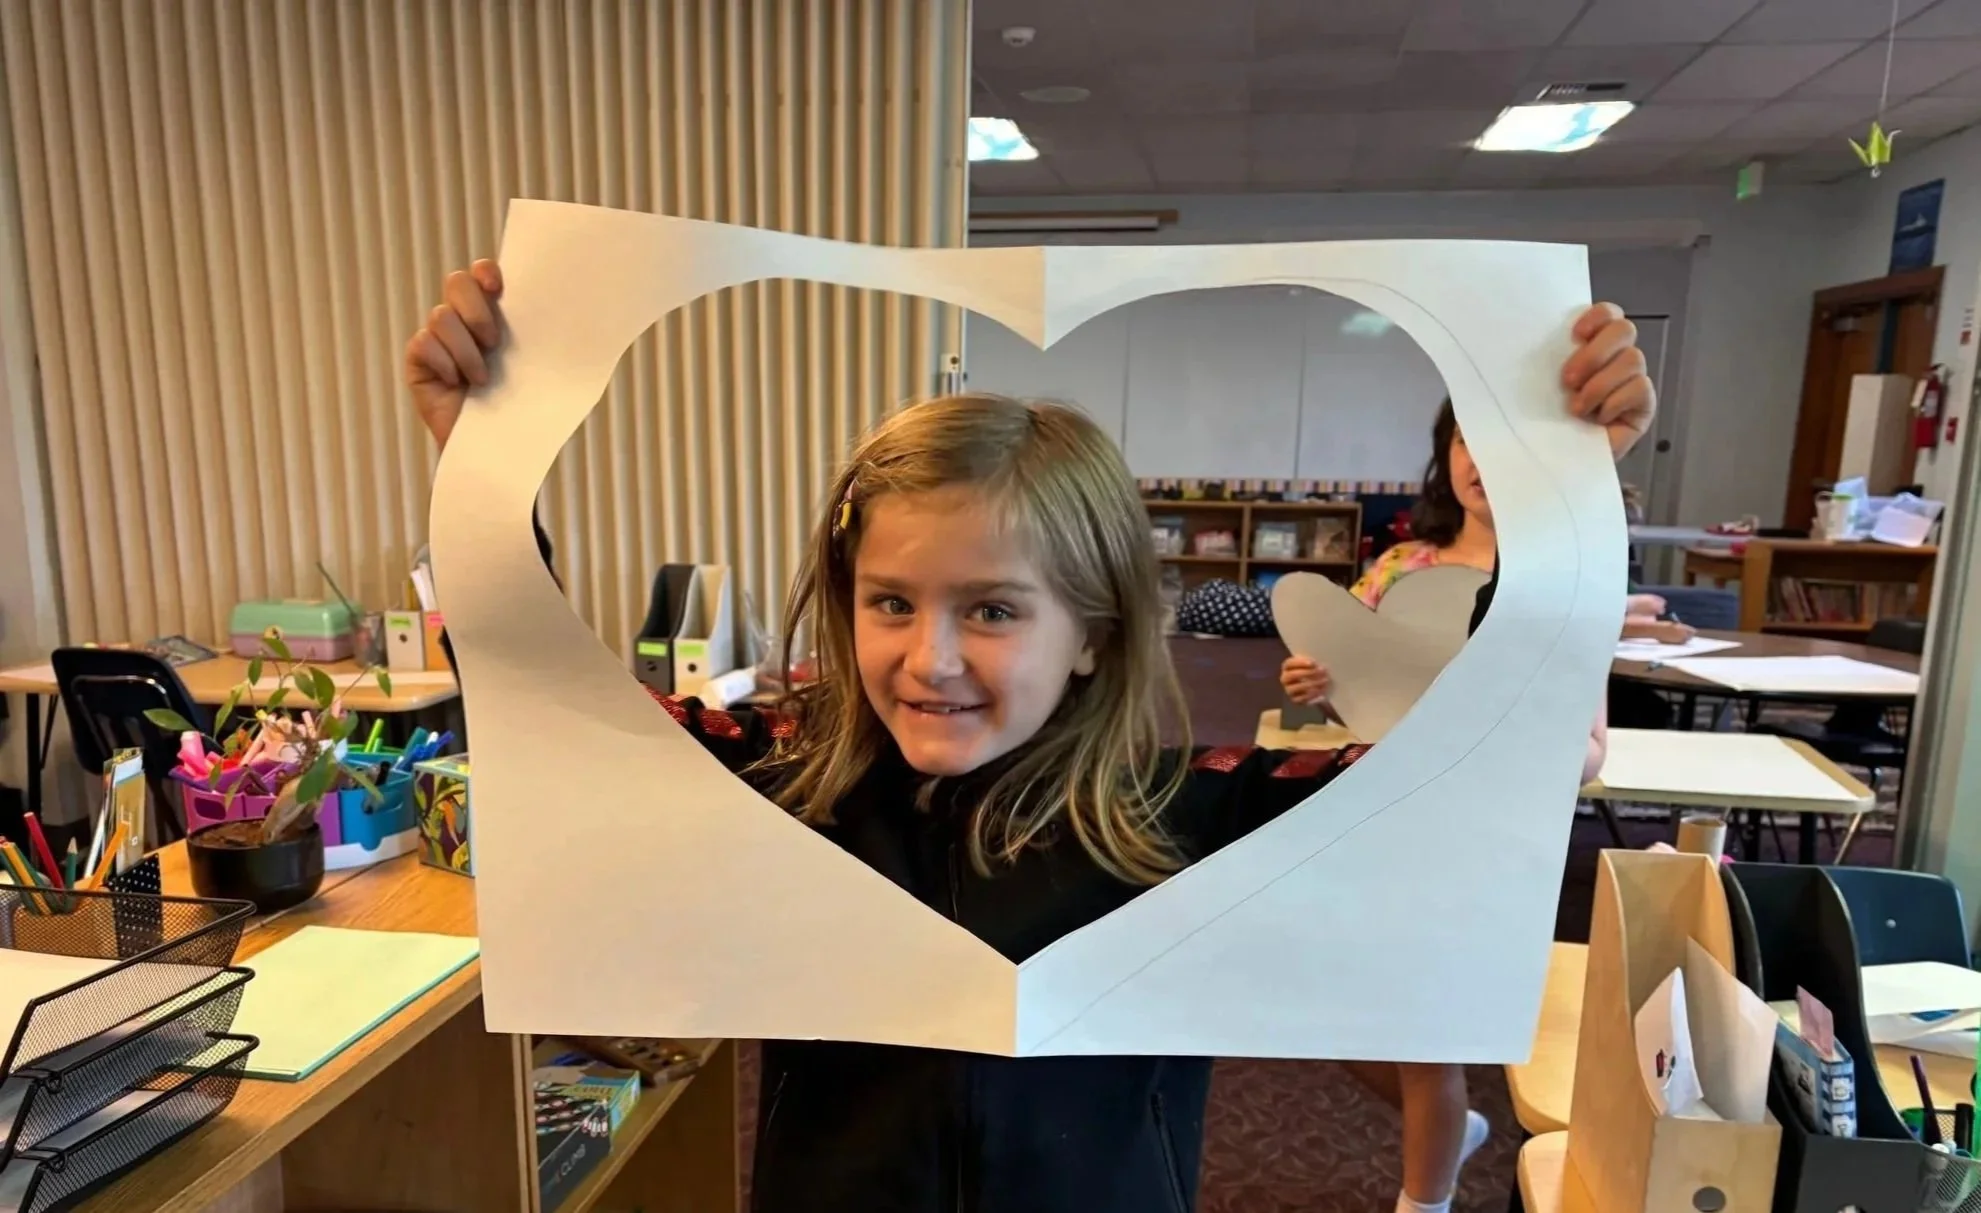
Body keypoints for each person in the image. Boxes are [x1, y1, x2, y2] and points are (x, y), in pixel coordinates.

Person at [407, 260, 1655, 1213]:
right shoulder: (788, 789)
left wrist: (1562, 501)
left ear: (1098, 632)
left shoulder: (1196, 816)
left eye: (993, 610)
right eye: (890, 601)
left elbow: (1482, 782)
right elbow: (560, 721)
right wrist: (478, 468)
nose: (929, 656)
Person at [1278, 399, 1494, 707]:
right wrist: (1314, 682)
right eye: (1466, 440)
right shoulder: (1399, 567)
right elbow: (1343, 670)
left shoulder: (1562, 581)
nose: (1481, 460)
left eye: (1503, 444)